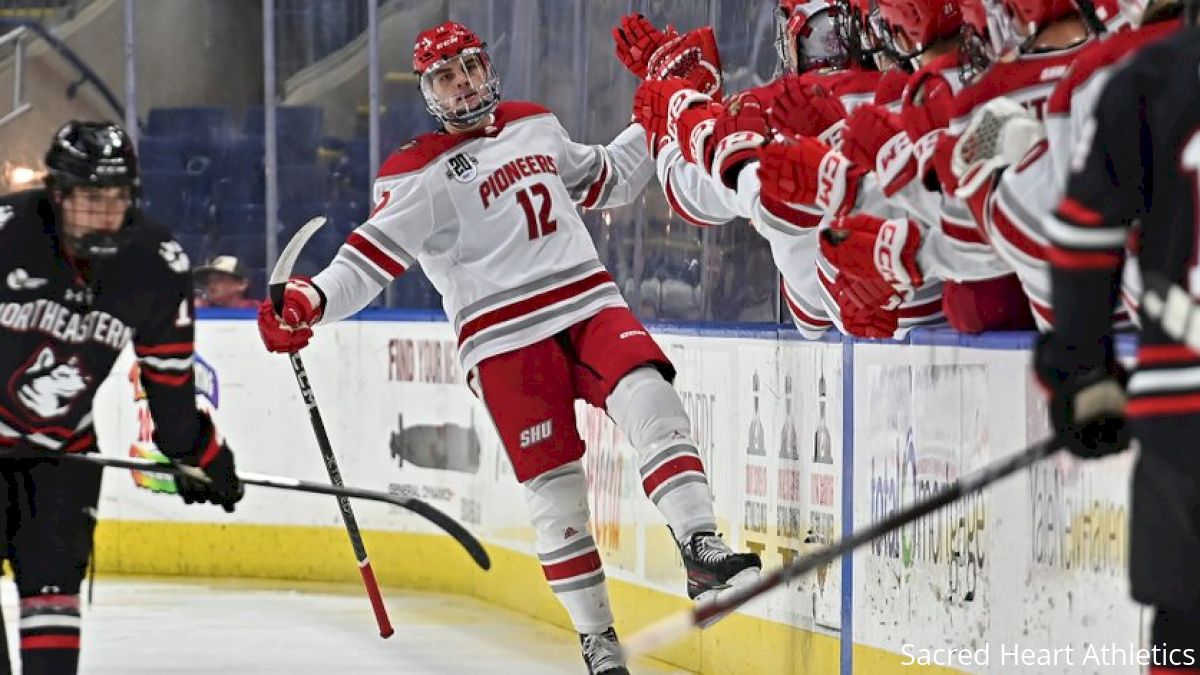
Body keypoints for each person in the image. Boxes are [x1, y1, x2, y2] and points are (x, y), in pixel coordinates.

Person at [256, 21, 761, 675]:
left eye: (469, 67)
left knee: (652, 396)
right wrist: (311, 299)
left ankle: (699, 544)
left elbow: (610, 178)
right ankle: (599, 639)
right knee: (556, 490)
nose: (462, 83)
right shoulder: (417, 170)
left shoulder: (535, 124)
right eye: (445, 76)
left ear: (487, 67)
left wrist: (663, 107)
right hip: (503, 339)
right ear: (428, 92)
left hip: (588, 302)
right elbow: (369, 258)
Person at [0, 120, 243, 674]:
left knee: (53, 602)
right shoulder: (7, 233)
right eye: (89, 198)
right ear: (57, 194)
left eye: (116, 197)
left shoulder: (155, 263)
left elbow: (170, 387)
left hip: (61, 456)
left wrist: (199, 455)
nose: (105, 213)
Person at [1034, 7, 1200, 671]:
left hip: (1184, 420)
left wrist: (1082, 374)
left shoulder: (1152, 77)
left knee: (1185, 625)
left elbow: (1082, 238)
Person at [194, 255, 259, 308]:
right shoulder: (203, 308)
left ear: (241, 284)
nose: (211, 285)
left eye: (218, 279)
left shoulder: (259, 311)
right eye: (208, 282)